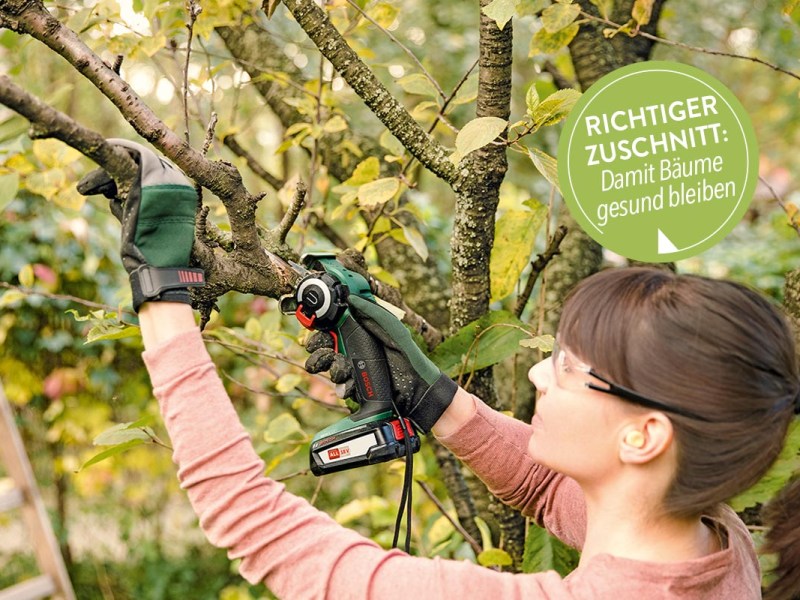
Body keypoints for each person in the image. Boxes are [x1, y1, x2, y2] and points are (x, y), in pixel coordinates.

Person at [80, 140, 800, 599]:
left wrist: (163, 294)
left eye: (569, 368)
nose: (541, 380)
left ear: (644, 435)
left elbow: (255, 527)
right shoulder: (712, 540)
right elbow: (551, 488)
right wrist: (434, 398)